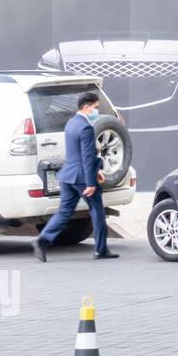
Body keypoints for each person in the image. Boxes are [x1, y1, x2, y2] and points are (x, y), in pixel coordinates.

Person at [33, 92, 118, 262]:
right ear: (86, 107)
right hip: (81, 177)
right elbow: (87, 157)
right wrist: (90, 182)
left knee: (64, 212)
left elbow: (77, 153)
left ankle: (42, 240)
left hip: (67, 175)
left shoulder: (71, 123)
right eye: (95, 108)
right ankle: (101, 249)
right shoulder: (85, 127)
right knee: (97, 211)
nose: (97, 111)